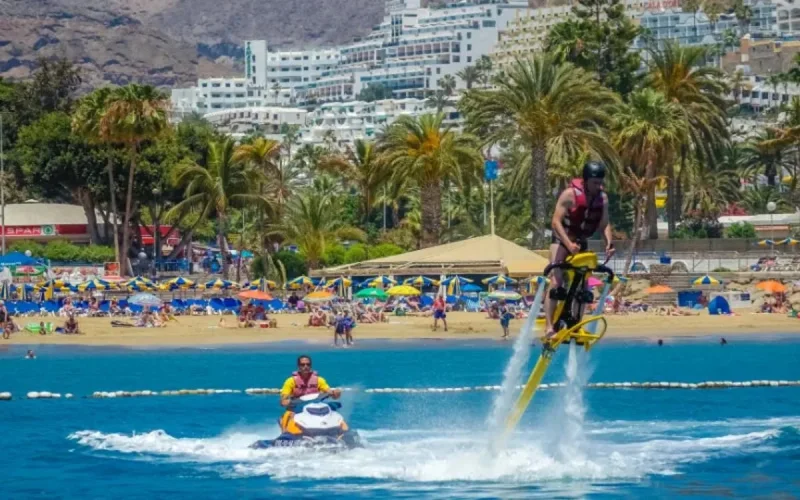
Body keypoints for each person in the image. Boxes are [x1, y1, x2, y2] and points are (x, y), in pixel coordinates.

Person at [544, 161, 615, 337]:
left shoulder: (602, 198)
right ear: (585, 180)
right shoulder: (569, 195)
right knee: (557, 281)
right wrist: (568, 244)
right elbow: (555, 222)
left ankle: (575, 324)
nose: (598, 186)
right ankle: (549, 327)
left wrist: (609, 243)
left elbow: (604, 223)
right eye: (594, 182)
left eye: (600, 182)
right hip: (561, 239)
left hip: (581, 242)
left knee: (583, 285)